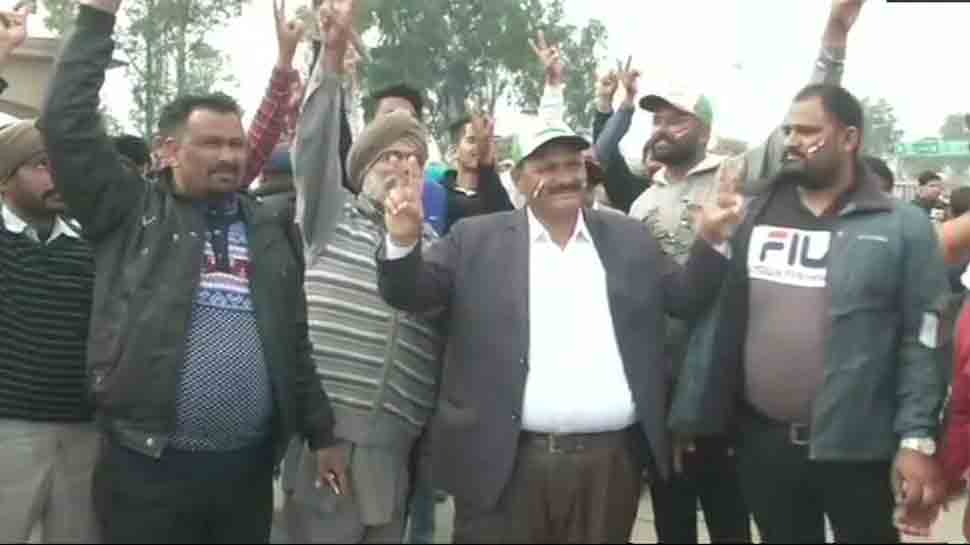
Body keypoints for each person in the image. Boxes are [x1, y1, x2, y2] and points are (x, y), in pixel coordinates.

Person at [39, 1, 341, 542]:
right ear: (168, 150)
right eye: (211, 143)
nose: (229, 155)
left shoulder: (270, 229)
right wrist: (95, 20)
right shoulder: (129, 212)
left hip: (245, 473)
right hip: (145, 467)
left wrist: (322, 433)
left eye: (235, 143)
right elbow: (66, 125)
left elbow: (294, 341)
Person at [376, 118, 742, 543]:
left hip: (608, 470)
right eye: (546, 167)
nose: (565, 177)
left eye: (573, 164)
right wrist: (403, 242)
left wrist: (713, 239)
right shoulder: (474, 240)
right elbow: (411, 294)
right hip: (503, 466)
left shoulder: (628, 238)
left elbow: (685, 297)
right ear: (518, 177)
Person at [670, 83, 948, 543]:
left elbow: (923, 339)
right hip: (764, 446)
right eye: (788, 130)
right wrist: (695, 411)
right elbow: (708, 315)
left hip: (861, 451)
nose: (792, 141)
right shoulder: (751, 215)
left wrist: (916, 440)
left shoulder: (901, 226)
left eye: (807, 130)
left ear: (849, 138)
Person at [282, 9, 442, 541]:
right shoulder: (329, 216)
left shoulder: (437, 248)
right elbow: (312, 144)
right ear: (362, 167)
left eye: (414, 158)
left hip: (395, 452)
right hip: (328, 443)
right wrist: (328, 61)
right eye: (390, 155)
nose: (402, 167)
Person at [0, 9, 101, 543]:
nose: (55, 175)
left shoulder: (90, 244)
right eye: (40, 164)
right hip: (7, 430)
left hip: (81, 431)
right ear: (5, 176)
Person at [441, 114, 514, 233]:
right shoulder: (439, 195)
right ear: (454, 150)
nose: (480, 147)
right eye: (472, 140)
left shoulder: (498, 197)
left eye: (487, 141)